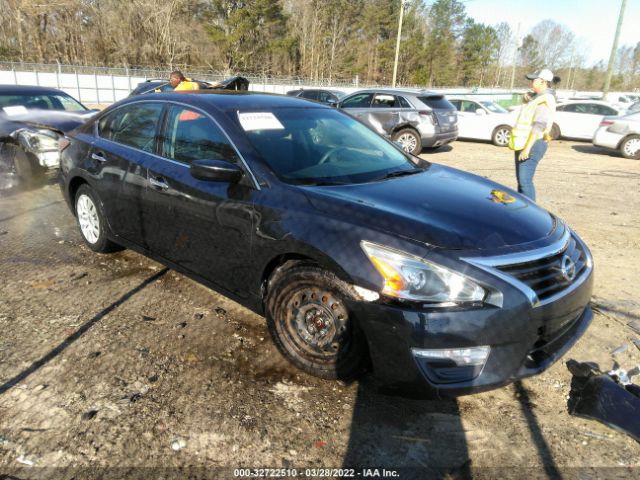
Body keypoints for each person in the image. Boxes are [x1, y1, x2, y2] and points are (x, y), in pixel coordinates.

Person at [509, 68, 558, 202]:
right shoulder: (538, 98)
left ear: (543, 82)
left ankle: (531, 214)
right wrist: (528, 99)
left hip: (533, 144)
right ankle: (522, 211)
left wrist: (527, 148)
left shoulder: (545, 99)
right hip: (524, 142)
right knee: (521, 181)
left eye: (534, 80)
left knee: (525, 181)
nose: (532, 82)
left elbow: (539, 125)